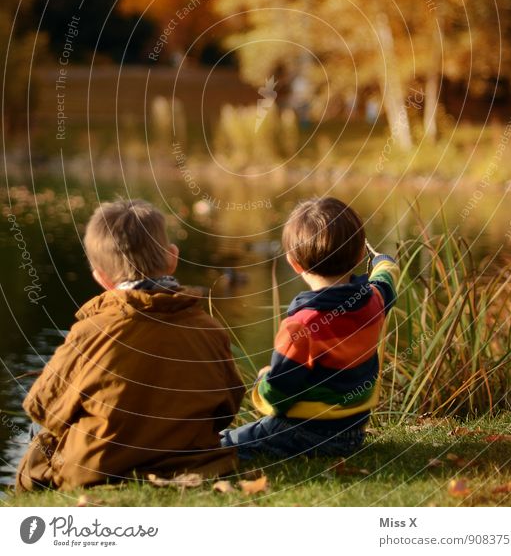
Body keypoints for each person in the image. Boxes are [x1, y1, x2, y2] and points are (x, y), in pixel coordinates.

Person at [16, 199, 245, 491]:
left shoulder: (89, 334)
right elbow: (228, 407)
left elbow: (42, 407)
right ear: (172, 258)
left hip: (98, 471)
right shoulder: (209, 330)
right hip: (192, 463)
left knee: (41, 444)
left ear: (100, 277)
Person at [221, 196, 397, 459]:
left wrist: (261, 382)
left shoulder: (300, 328)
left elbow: (278, 399)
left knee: (221, 444)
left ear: (294, 264)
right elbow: (386, 279)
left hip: (302, 433)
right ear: (360, 255)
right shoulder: (374, 300)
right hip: (352, 431)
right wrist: (383, 262)